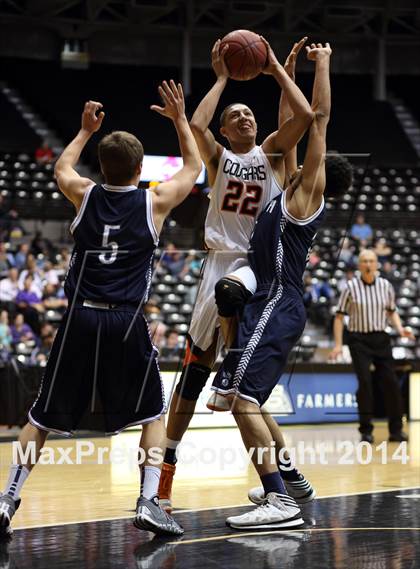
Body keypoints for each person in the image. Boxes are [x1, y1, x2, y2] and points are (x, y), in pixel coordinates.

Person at [0, 79, 202, 539]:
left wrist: (84, 131)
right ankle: (149, 502)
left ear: (105, 168)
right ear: (139, 171)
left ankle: (6, 499)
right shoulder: (154, 202)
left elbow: (62, 168)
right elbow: (193, 165)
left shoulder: (83, 193)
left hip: (78, 317)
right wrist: (178, 120)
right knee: (152, 415)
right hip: (125, 319)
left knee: (40, 417)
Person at [158, 36, 314, 512]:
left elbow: (300, 120)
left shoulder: (269, 153)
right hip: (218, 261)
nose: (245, 117)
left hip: (256, 264)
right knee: (198, 372)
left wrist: (278, 73)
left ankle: (280, 475)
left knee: (236, 359)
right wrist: (224, 77)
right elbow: (197, 122)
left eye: (250, 113)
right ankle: (166, 474)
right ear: (226, 132)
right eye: (236, 116)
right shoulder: (220, 159)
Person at [210, 42, 353, 530]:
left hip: (277, 302)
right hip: (266, 300)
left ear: (320, 177)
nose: (301, 161)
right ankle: (288, 479)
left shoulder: (305, 196)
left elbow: (317, 120)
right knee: (251, 398)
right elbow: (291, 133)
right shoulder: (284, 186)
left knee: (240, 401)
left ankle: (279, 500)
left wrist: (321, 65)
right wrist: (283, 74)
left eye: (313, 162)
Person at [329, 249, 414, 443]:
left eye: (371, 261)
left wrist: (401, 330)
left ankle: (396, 430)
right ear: (359, 265)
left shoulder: (386, 286)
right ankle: (366, 431)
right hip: (358, 340)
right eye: (364, 261)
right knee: (365, 383)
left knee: (391, 383)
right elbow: (339, 317)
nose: (368, 264)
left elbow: (391, 312)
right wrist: (338, 345)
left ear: (376, 264)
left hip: (381, 339)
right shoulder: (350, 287)